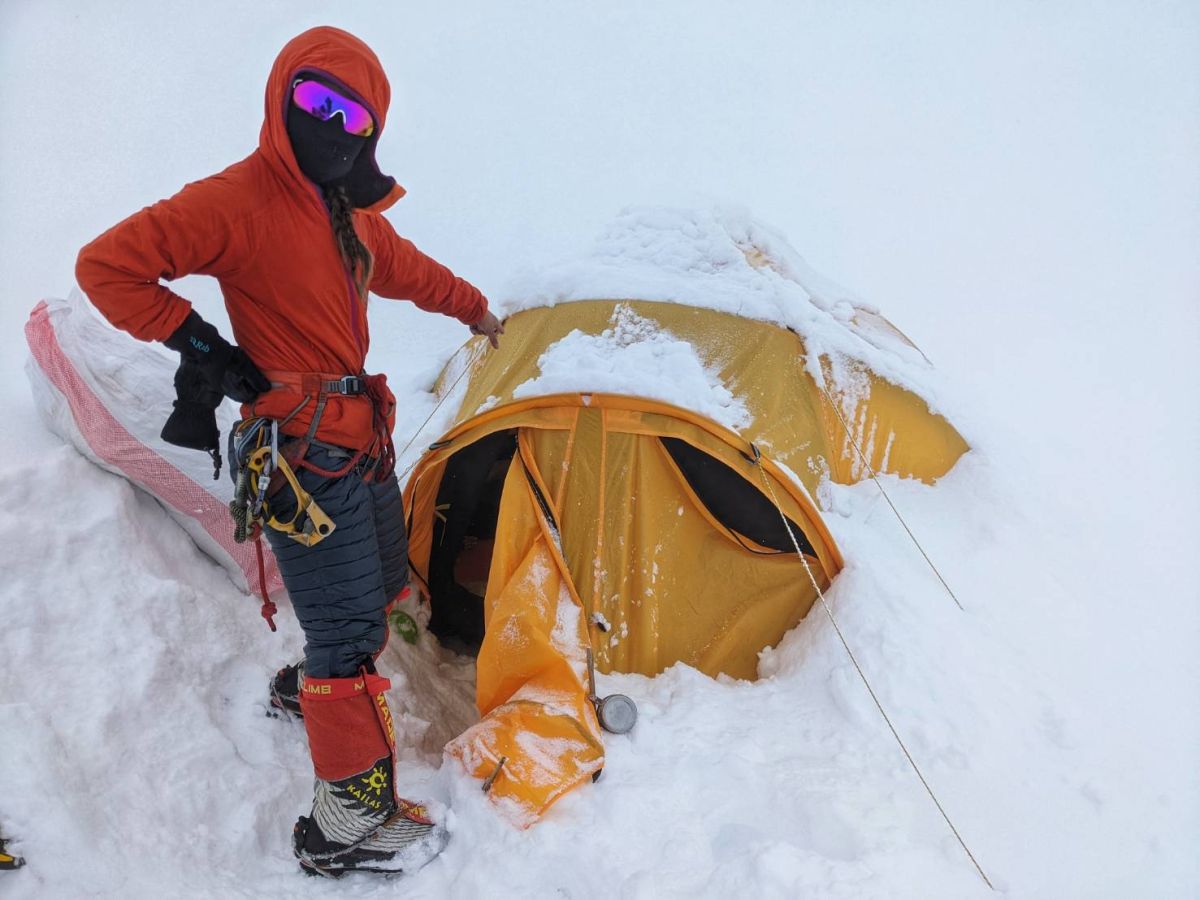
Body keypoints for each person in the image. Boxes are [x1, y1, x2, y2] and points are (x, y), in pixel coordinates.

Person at [74, 26, 503, 877]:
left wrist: (478, 311)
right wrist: (202, 345)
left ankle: (308, 688)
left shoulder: (351, 217)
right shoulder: (239, 200)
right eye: (317, 100)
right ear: (283, 96)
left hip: (360, 440)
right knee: (349, 629)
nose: (332, 124)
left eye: (354, 115)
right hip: (303, 453)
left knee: (379, 587)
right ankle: (346, 825)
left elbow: (413, 270)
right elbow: (107, 267)